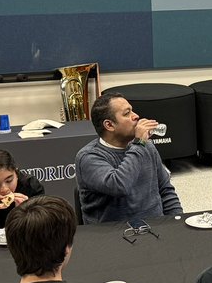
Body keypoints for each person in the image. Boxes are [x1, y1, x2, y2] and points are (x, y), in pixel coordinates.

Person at [76, 93, 183, 223]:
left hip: (155, 228)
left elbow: (165, 190)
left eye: (132, 110)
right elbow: (119, 186)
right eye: (127, 113)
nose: (136, 116)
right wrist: (139, 144)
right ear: (109, 125)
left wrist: (177, 222)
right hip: (114, 235)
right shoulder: (88, 157)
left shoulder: (146, 146)